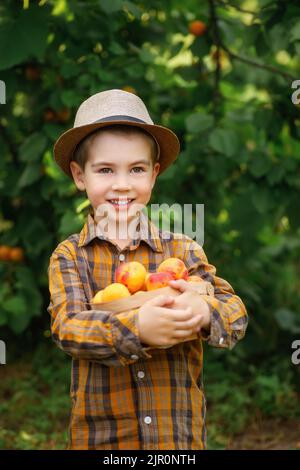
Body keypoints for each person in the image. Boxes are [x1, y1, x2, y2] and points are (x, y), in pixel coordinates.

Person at [47, 88, 248, 450]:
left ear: (153, 175)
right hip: (103, 440)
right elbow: (68, 328)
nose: (122, 184)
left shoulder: (181, 252)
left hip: (176, 441)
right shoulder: (71, 256)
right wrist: (137, 328)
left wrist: (204, 312)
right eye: (105, 169)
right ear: (80, 175)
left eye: (136, 169)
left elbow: (235, 315)